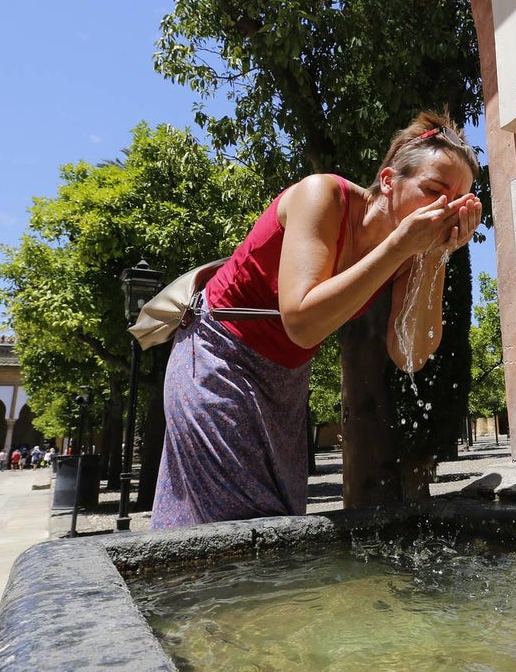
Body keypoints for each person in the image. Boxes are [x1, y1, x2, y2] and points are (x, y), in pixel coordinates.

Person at [150, 111, 481, 529]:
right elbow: (302, 322)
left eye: (457, 202)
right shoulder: (321, 195)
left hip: (286, 378)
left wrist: (436, 256)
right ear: (389, 181)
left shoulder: (411, 251)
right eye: (434, 190)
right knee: (231, 520)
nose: (444, 210)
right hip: (218, 355)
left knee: (279, 516)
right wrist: (399, 247)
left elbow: (410, 355)